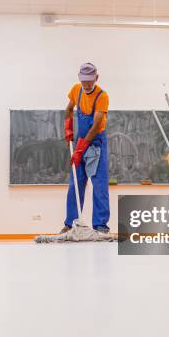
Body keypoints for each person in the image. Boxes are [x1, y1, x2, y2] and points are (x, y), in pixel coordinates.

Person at [62, 63, 110, 233]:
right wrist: (68, 127)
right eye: (84, 81)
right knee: (75, 183)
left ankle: (101, 227)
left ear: (96, 78)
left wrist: (81, 149)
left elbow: (96, 125)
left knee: (99, 186)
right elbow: (68, 109)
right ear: (79, 78)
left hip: (96, 144)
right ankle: (70, 225)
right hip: (80, 142)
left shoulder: (102, 96)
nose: (87, 85)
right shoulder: (76, 90)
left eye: (90, 81)